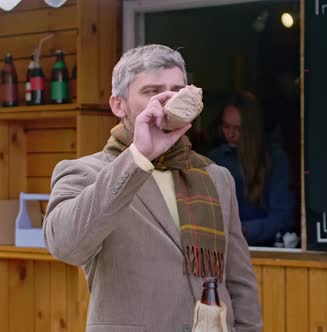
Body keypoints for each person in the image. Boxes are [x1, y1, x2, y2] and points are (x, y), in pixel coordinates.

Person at [43, 44, 262, 332]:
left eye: (177, 88)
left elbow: (238, 279)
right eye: (151, 91)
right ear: (118, 105)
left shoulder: (215, 176)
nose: (167, 99)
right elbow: (65, 246)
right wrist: (138, 157)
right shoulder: (86, 172)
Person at [208, 91, 295, 247]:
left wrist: (245, 230)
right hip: (221, 247)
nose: (230, 134)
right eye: (226, 126)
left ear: (252, 129)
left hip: (263, 248)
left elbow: (283, 217)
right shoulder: (215, 159)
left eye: (238, 129)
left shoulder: (275, 160)